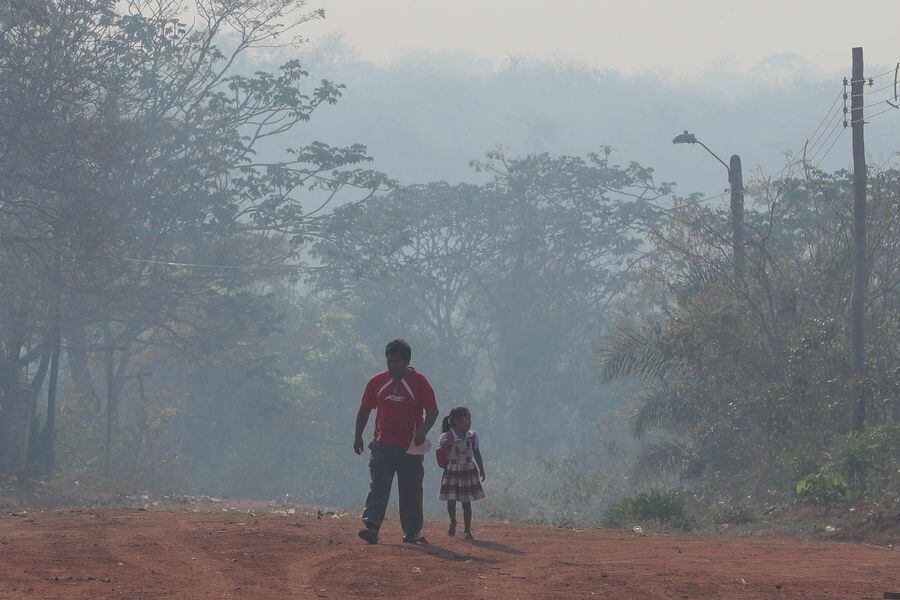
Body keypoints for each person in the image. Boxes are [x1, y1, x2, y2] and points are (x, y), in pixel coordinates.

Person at [354, 339, 439, 545]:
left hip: (411, 447)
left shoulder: (419, 382)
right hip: (382, 445)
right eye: (389, 361)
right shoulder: (377, 382)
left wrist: (423, 431)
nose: (393, 366)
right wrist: (358, 436)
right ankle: (372, 527)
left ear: (407, 361)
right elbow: (365, 409)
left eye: (397, 362)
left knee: (411, 491)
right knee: (378, 488)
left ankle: (411, 533)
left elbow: (433, 411)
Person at [437, 406, 485, 540]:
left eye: (470, 419)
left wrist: (481, 469)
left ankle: (467, 530)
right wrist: (444, 446)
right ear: (457, 421)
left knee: (466, 501)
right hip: (452, 470)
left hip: (467, 469)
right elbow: (440, 453)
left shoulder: (472, 436)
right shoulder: (447, 436)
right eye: (467, 419)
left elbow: (477, 452)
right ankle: (453, 521)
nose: (470, 422)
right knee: (451, 500)